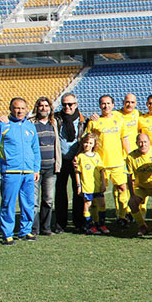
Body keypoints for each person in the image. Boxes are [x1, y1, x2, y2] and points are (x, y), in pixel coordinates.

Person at [0, 97, 41, 244]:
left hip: (28, 173)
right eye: (16, 108)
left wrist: (35, 169)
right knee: (8, 203)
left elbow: (35, 150)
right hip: (10, 172)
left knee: (29, 203)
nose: (19, 111)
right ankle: (7, 234)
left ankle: (25, 231)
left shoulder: (30, 127)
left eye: (22, 108)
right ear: (10, 109)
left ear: (26, 109)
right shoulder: (2, 125)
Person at [85, 95, 130, 225]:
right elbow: (86, 140)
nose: (106, 106)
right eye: (103, 104)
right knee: (99, 192)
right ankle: (98, 219)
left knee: (122, 188)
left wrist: (128, 157)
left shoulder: (120, 120)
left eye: (108, 103)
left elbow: (124, 140)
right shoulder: (94, 122)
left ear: (113, 105)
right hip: (100, 164)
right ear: (100, 106)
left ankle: (122, 216)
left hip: (117, 162)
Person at [54, 92, 87, 232]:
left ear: (76, 104)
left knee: (78, 191)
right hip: (60, 161)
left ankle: (79, 222)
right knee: (60, 192)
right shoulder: (55, 119)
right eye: (65, 104)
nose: (67, 107)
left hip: (76, 160)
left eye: (70, 104)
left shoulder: (83, 121)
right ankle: (61, 223)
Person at [126, 133, 152, 236]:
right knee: (132, 203)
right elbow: (129, 176)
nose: (143, 144)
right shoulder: (131, 157)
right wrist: (132, 195)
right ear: (136, 143)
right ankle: (142, 226)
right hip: (141, 187)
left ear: (149, 143)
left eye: (145, 142)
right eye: (140, 142)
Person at [30, 97, 60, 236]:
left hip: (50, 168)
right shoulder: (31, 124)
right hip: (34, 169)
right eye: (41, 106)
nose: (43, 108)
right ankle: (33, 229)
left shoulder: (53, 123)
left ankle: (46, 228)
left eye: (46, 105)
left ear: (50, 108)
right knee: (34, 200)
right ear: (37, 108)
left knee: (48, 199)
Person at [73, 133, 108, 236]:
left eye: (90, 143)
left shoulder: (97, 156)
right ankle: (89, 226)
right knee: (87, 205)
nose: (87, 145)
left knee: (102, 204)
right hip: (87, 186)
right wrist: (79, 186)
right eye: (86, 142)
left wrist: (103, 183)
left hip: (97, 185)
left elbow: (102, 170)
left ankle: (101, 224)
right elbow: (77, 172)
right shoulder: (80, 157)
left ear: (94, 144)